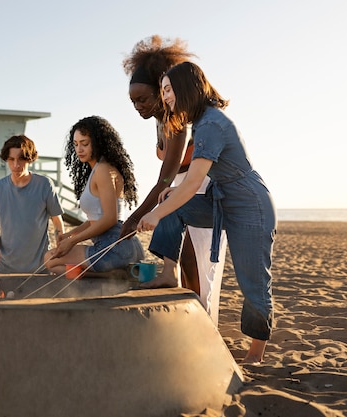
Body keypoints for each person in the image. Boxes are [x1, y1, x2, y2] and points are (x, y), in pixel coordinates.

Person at [137, 62, 277, 363]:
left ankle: (255, 355)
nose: (166, 98)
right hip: (222, 201)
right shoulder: (201, 122)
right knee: (174, 206)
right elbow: (191, 181)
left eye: (168, 90)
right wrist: (171, 196)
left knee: (252, 281)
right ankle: (168, 273)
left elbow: (194, 182)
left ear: (186, 89)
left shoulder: (212, 124)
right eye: (163, 92)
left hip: (252, 207)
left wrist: (155, 213)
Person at [120, 35, 227, 325]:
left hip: (197, 189)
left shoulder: (176, 120)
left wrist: (137, 217)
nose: (138, 106)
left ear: (163, 90)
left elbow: (166, 178)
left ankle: (202, 329)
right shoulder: (160, 120)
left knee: (197, 268)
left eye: (143, 98)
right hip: (178, 191)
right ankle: (192, 326)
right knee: (181, 267)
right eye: (133, 101)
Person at [44, 116, 144, 275]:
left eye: (85, 143)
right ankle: (107, 274)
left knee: (50, 259)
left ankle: (103, 275)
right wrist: (70, 234)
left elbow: (110, 219)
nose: (79, 149)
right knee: (52, 260)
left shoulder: (103, 170)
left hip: (114, 248)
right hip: (120, 246)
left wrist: (73, 241)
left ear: (98, 143)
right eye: (76, 144)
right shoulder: (98, 169)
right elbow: (95, 219)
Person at [0, 135, 65, 274]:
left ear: (29, 159)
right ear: (6, 159)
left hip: (40, 269)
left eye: (21, 159)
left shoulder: (44, 185)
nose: (16, 165)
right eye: (11, 159)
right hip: (5, 269)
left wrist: (60, 249)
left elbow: (57, 222)